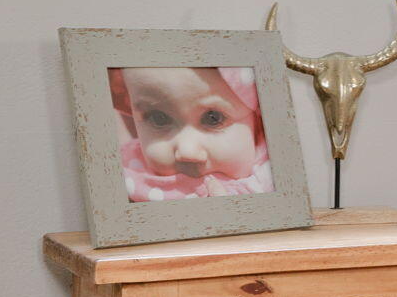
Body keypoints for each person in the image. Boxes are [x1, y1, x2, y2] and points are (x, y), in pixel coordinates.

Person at [110, 66, 274, 201]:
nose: (187, 151)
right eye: (158, 118)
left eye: (213, 118)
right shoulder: (127, 175)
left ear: (256, 118)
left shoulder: (273, 181)